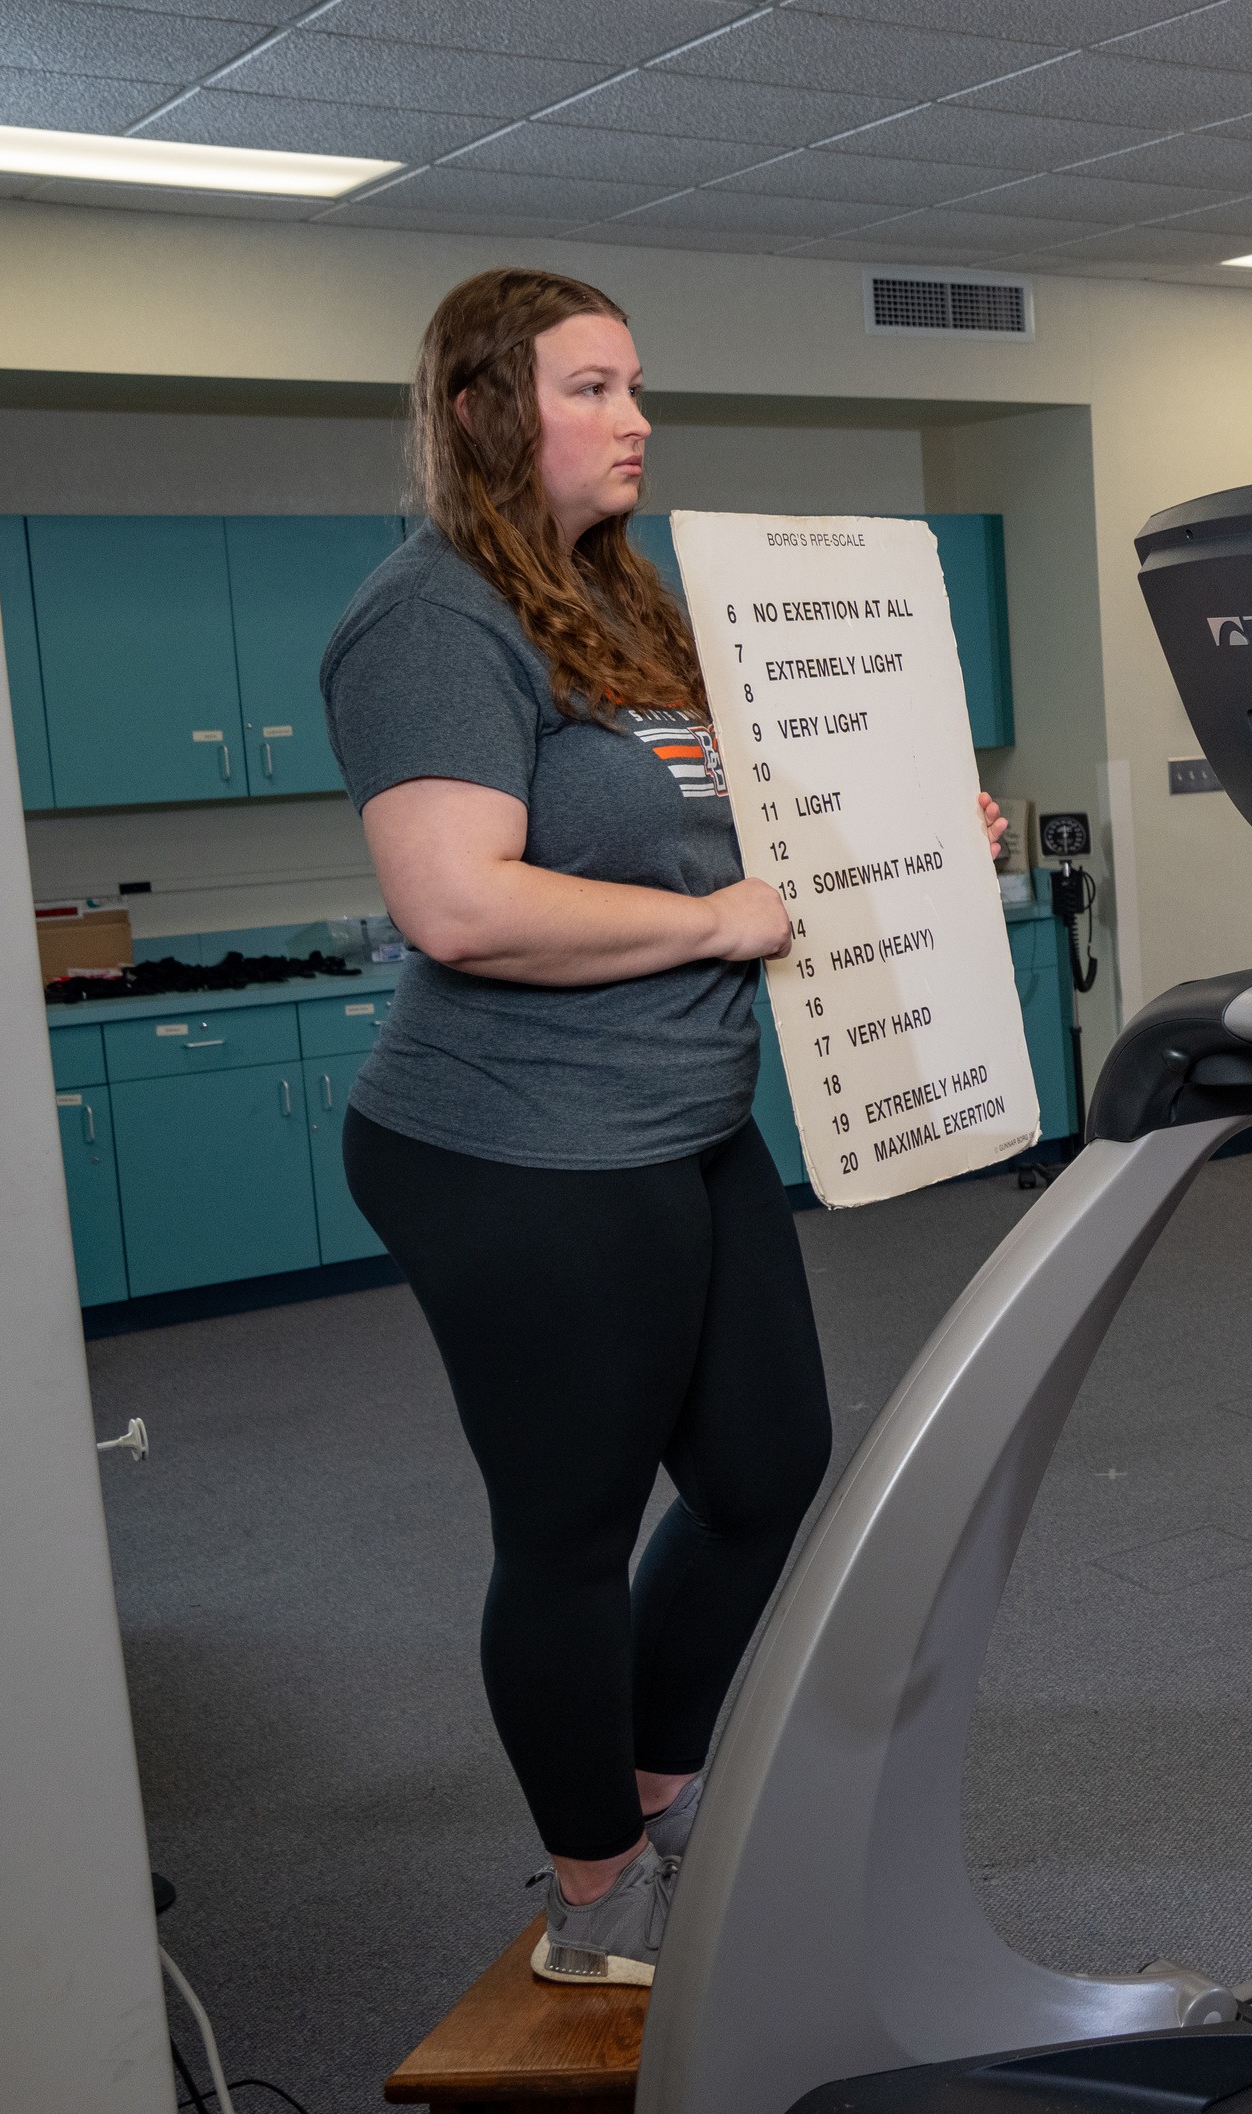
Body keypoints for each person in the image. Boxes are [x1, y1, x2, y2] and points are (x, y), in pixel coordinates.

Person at [325, 268, 1004, 1986]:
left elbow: (753, 829)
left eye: (638, 386)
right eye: (592, 388)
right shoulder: (433, 622)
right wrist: (716, 928)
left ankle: (657, 1777)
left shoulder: (625, 606)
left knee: (767, 1470)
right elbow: (459, 905)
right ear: (486, 411)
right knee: (565, 1528)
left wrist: (929, 827)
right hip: (515, 1146)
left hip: (681, 1121)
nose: (636, 420)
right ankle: (594, 1888)